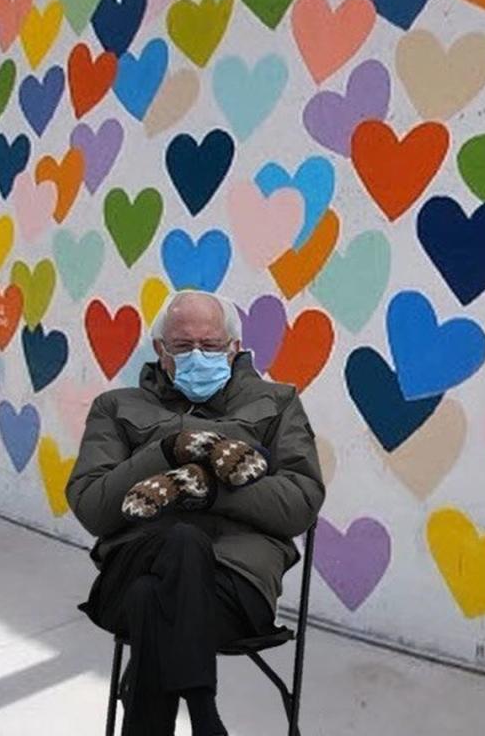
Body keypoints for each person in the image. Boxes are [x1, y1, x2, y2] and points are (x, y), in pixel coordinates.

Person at [65, 291, 324, 736]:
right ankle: (205, 716)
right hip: (130, 567)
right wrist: (165, 452)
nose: (199, 356)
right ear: (161, 352)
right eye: (183, 347)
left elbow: (300, 502)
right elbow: (92, 507)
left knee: (155, 597)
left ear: (235, 348)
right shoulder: (116, 407)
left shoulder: (278, 403)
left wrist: (207, 494)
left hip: (233, 586)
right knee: (178, 545)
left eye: (212, 345)